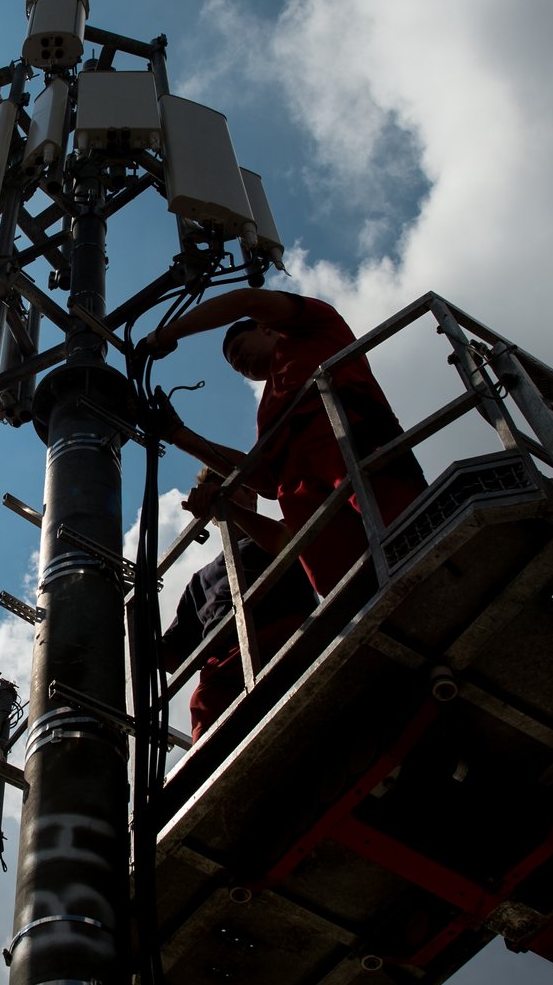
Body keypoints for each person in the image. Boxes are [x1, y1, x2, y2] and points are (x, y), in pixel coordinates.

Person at [139, 289, 429, 598]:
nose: (237, 361)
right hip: (330, 548)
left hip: (361, 456)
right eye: (233, 364)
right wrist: (176, 434)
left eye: (238, 347)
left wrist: (165, 334)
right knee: (351, 589)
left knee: (409, 538)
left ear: (265, 327)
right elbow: (264, 479)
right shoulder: (269, 412)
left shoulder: (316, 332)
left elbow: (245, 301)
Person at [163, 530, 317, 740]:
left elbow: (301, 544)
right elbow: (172, 657)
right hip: (226, 663)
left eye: (245, 493)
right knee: (204, 702)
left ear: (254, 495)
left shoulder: (274, 530)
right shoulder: (198, 582)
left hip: (281, 633)